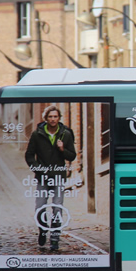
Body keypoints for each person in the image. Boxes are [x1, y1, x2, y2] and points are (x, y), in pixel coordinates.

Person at [24, 105, 77, 251]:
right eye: (50, 117)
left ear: (59, 118)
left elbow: (72, 155)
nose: (53, 119)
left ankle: (55, 238)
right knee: (40, 206)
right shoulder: (37, 134)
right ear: (46, 118)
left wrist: (62, 149)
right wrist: (38, 168)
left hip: (59, 176)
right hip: (42, 177)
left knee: (57, 208)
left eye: (55, 117)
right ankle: (42, 230)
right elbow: (29, 155)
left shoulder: (65, 134)